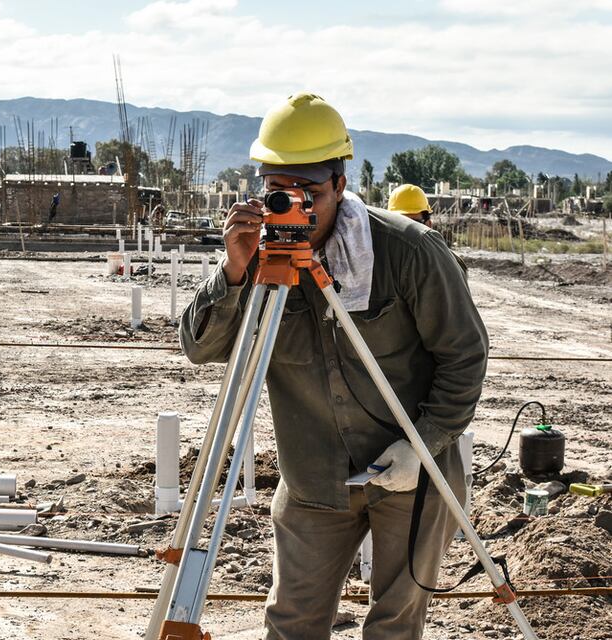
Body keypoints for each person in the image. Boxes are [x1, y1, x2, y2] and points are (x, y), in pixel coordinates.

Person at [180, 92, 488, 640]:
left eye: (309, 193)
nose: (295, 206)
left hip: (412, 472)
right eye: (278, 191)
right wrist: (234, 266)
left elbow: (464, 355)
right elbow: (201, 348)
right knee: (291, 622)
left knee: (394, 626)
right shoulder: (257, 257)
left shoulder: (408, 251)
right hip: (314, 477)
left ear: (340, 185)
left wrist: (424, 443)